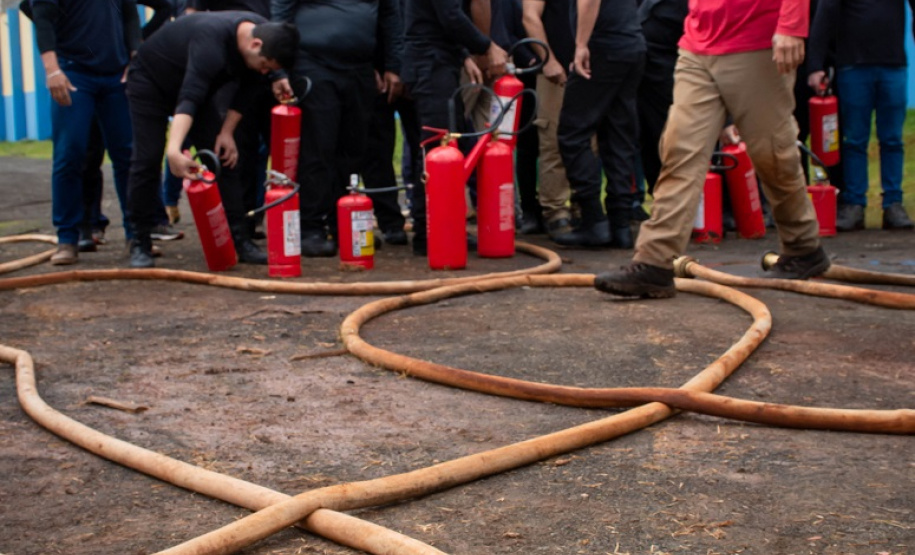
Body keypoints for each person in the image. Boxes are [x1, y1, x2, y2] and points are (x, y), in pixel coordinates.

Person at [595, 0, 830, 298]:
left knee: (772, 153)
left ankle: (802, 246)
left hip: (757, 42)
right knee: (679, 151)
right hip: (697, 45)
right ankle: (654, 261)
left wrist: (792, 26)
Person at [124, 11, 298, 268]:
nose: (264, 72)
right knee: (148, 158)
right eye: (264, 66)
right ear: (255, 44)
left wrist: (226, 133)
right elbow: (190, 96)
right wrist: (174, 149)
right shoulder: (212, 41)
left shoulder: (262, 35)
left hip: (198, 90)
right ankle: (140, 240)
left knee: (222, 157)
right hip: (151, 83)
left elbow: (247, 93)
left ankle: (240, 239)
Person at [272, 0, 404, 257]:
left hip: (360, 67)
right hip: (313, 63)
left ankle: (343, 220)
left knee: (354, 147)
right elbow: (280, 13)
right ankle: (311, 226)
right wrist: (278, 71)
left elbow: (390, 18)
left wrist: (392, 65)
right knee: (317, 147)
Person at [23, 0, 138, 266]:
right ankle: (67, 239)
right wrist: (53, 69)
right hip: (74, 74)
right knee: (69, 153)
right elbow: (41, 17)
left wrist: (135, 57)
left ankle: (137, 236)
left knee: (128, 156)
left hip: (116, 75)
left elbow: (130, 17)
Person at [402, 0, 509, 255]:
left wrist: (463, 56)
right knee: (437, 149)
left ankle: (442, 227)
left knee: (448, 145)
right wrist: (487, 47)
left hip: (438, 61)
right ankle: (431, 233)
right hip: (430, 64)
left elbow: (440, 18)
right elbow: (450, 15)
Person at [807, 0, 915, 232]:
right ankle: (854, 204)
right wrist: (815, 65)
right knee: (854, 140)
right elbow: (825, 14)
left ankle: (893, 204)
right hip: (853, 67)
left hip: (893, 66)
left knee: (892, 140)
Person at [553, 0, 646, 249]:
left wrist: (581, 45)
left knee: (573, 133)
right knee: (618, 134)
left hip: (603, 44)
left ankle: (594, 221)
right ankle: (620, 224)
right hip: (631, 42)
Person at [522, 0, 576, 241]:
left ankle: (582, 204)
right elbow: (529, 17)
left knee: (589, 141)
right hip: (555, 70)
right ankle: (555, 210)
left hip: (587, 68)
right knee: (552, 139)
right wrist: (549, 60)